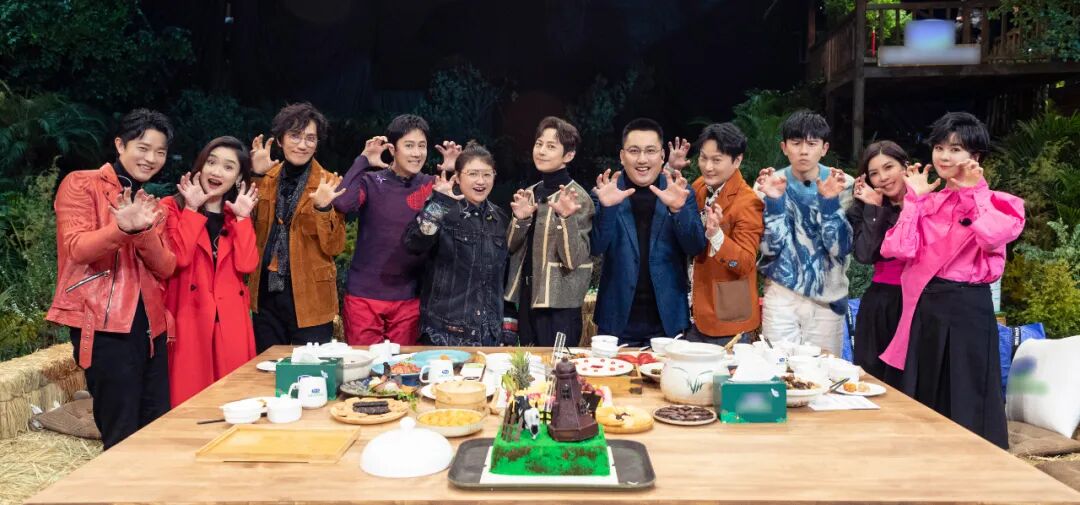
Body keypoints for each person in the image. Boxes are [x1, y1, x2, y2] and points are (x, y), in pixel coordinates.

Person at [879, 112, 1024, 449]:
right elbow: (897, 249)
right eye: (940, 148)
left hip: (967, 307)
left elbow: (992, 237)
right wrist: (913, 201)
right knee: (924, 393)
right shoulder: (927, 201)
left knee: (968, 391)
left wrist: (974, 194)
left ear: (976, 157)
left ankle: (976, 465)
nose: (944, 156)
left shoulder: (1001, 203)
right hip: (925, 308)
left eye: (956, 149)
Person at [46, 108, 177, 449]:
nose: (151, 159)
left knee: (155, 424)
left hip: (151, 328)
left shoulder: (151, 204)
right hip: (104, 327)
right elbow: (77, 249)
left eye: (160, 152)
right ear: (120, 145)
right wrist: (121, 228)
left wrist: (142, 230)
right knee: (120, 432)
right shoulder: (81, 183)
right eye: (143, 148)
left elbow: (166, 266)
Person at [332, 114, 461, 345]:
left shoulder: (431, 184)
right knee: (363, 364)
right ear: (392, 149)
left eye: (422, 146)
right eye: (409, 145)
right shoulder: (371, 182)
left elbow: (459, 215)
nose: (417, 153)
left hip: (409, 296)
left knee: (404, 365)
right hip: (364, 295)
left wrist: (453, 172)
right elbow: (342, 203)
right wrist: (363, 160)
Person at [590, 118, 707, 347]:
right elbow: (596, 247)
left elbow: (695, 247)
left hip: (667, 321)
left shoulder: (680, 190)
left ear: (662, 156)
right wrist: (608, 209)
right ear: (622, 156)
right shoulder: (607, 192)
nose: (642, 159)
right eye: (634, 151)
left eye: (650, 151)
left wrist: (678, 210)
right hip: (616, 321)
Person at [162, 136, 260, 407]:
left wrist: (243, 218)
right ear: (200, 166)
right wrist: (192, 209)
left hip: (231, 321)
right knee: (189, 402)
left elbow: (247, 265)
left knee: (235, 401)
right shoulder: (171, 207)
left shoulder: (235, 214)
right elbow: (178, 258)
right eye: (212, 162)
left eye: (228, 167)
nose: (217, 172)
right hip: (189, 318)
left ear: (238, 177)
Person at [248, 103, 347, 352]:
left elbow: (335, 247)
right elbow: (247, 230)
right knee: (267, 367)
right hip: (266, 294)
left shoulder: (329, 182)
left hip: (312, 297)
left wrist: (323, 208)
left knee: (312, 370)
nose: (302, 145)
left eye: (310, 138)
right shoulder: (265, 178)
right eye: (295, 136)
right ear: (280, 140)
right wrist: (255, 176)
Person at [754, 110, 853, 355]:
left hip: (828, 295)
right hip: (780, 292)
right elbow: (769, 248)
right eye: (796, 143)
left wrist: (829, 203)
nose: (803, 151)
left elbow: (839, 248)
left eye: (812, 143)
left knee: (824, 368)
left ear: (824, 148)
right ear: (784, 147)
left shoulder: (843, 184)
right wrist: (774, 202)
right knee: (776, 365)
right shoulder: (768, 183)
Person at [403, 142, 509, 346]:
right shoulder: (443, 208)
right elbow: (414, 243)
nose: (481, 181)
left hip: (489, 335)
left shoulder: (500, 218)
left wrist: (507, 330)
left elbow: (504, 277)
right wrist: (439, 203)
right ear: (458, 177)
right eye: (473, 174)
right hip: (444, 333)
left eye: (487, 174)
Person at [668, 123, 763, 346]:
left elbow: (745, 263)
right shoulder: (699, 186)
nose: (708, 167)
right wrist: (671, 170)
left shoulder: (748, 202)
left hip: (728, 320)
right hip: (694, 313)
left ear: (737, 161)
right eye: (703, 158)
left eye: (717, 160)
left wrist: (717, 235)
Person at [505, 117, 594, 347]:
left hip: (559, 304)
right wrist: (520, 220)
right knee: (529, 364)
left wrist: (565, 218)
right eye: (539, 144)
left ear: (568, 155)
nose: (542, 151)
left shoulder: (578, 198)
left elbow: (572, 259)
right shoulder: (529, 192)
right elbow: (510, 248)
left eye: (551, 146)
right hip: (527, 298)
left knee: (558, 366)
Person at [846, 140, 909, 387]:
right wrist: (874, 209)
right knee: (872, 379)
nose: (882, 177)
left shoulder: (928, 202)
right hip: (881, 302)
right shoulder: (864, 208)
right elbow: (865, 255)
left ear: (905, 166)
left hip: (920, 302)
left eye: (888, 167)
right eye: (874, 173)